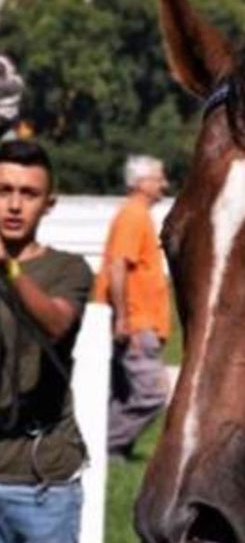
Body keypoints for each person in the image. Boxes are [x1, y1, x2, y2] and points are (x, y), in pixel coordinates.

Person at [0, 139, 92, 543]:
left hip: (46, 481)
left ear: (48, 203)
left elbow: (55, 324)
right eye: (3, 190)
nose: (12, 205)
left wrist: (6, 270)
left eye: (27, 194)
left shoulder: (67, 269)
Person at [93, 155, 170, 461]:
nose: (164, 183)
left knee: (124, 393)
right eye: (159, 178)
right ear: (141, 183)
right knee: (152, 393)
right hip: (138, 323)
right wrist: (124, 318)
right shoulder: (134, 216)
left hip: (139, 321)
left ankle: (114, 451)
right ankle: (105, 447)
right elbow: (117, 267)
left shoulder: (137, 216)